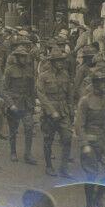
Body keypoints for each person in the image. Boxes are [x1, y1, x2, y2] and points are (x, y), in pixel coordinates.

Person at [75, 68, 105, 185]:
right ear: (95, 84)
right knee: (91, 174)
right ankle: (90, 202)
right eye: (101, 82)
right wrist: (84, 144)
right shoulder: (85, 101)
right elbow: (79, 125)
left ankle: (99, 193)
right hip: (91, 141)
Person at [37, 48, 74, 177]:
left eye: (62, 61)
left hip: (63, 112)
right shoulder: (43, 76)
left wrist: (70, 109)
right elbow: (41, 95)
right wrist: (51, 111)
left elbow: (69, 93)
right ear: (52, 62)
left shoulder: (65, 75)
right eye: (58, 61)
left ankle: (63, 168)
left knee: (67, 138)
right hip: (49, 113)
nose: (61, 63)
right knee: (48, 139)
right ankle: (49, 166)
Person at [2, 46, 37, 164]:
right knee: (13, 130)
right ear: (16, 57)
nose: (23, 58)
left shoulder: (29, 70)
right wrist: (10, 104)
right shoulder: (9, 70)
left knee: (29, 127)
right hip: (14, 104)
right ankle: (13, 152)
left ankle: (28, 154)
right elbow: (4, 90)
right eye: (21, 56)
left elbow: (32, 89)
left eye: (24, 56)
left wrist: (33, 104)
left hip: (26, 104)